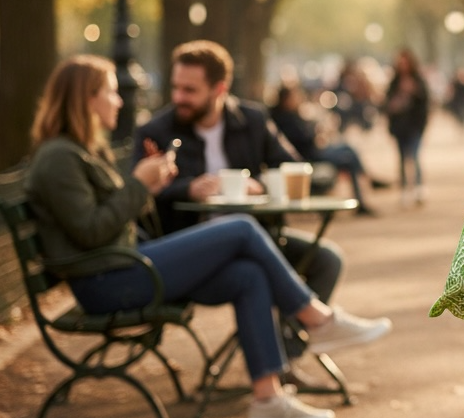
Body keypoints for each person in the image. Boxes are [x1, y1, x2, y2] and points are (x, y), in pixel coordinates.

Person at [25, 56, 391, 418]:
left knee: (248, 274)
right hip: (107, 283)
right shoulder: (59, 158)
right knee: (241, 228)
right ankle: (318, 320)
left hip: (125, 268)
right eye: (111, 92)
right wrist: (140, 185)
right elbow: (90, 232)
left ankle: (268, 400)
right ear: (86, 99)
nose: (119, 101)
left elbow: (111, 222)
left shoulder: (80, 151)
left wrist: (150, 186)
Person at [133, 41, 363, 376]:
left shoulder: (252, 120)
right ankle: (309, 332)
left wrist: (261, 184)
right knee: (251, 268)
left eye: (190, 90)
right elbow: (138, 191)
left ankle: (287, 355)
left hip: (261, 239)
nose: (179, 97)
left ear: (219, 89)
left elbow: (291, 166)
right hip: (192, 248)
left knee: (327, 259)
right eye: (176, 87)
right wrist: (188, 187)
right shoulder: (156, 131)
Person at [270, 82, 381, 215]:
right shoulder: (285, 119)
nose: (297, 99)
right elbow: (303, 140)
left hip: (314, 151)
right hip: (311, 156)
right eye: (294, 96)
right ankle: (365, 188)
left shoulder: (292, 115)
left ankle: (366, 178)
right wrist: (316, 134)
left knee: (348, 148)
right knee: (349, 158)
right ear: (286, 99)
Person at [383, 48, 430, 207]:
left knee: (414, 156)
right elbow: (386, 103)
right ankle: (404, 189)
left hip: (414, 126)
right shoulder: (394, 83)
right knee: (402, 158)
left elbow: (425, 102)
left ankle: (418, 187)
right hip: (399, 127)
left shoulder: (418, 81)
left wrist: (414, 91)